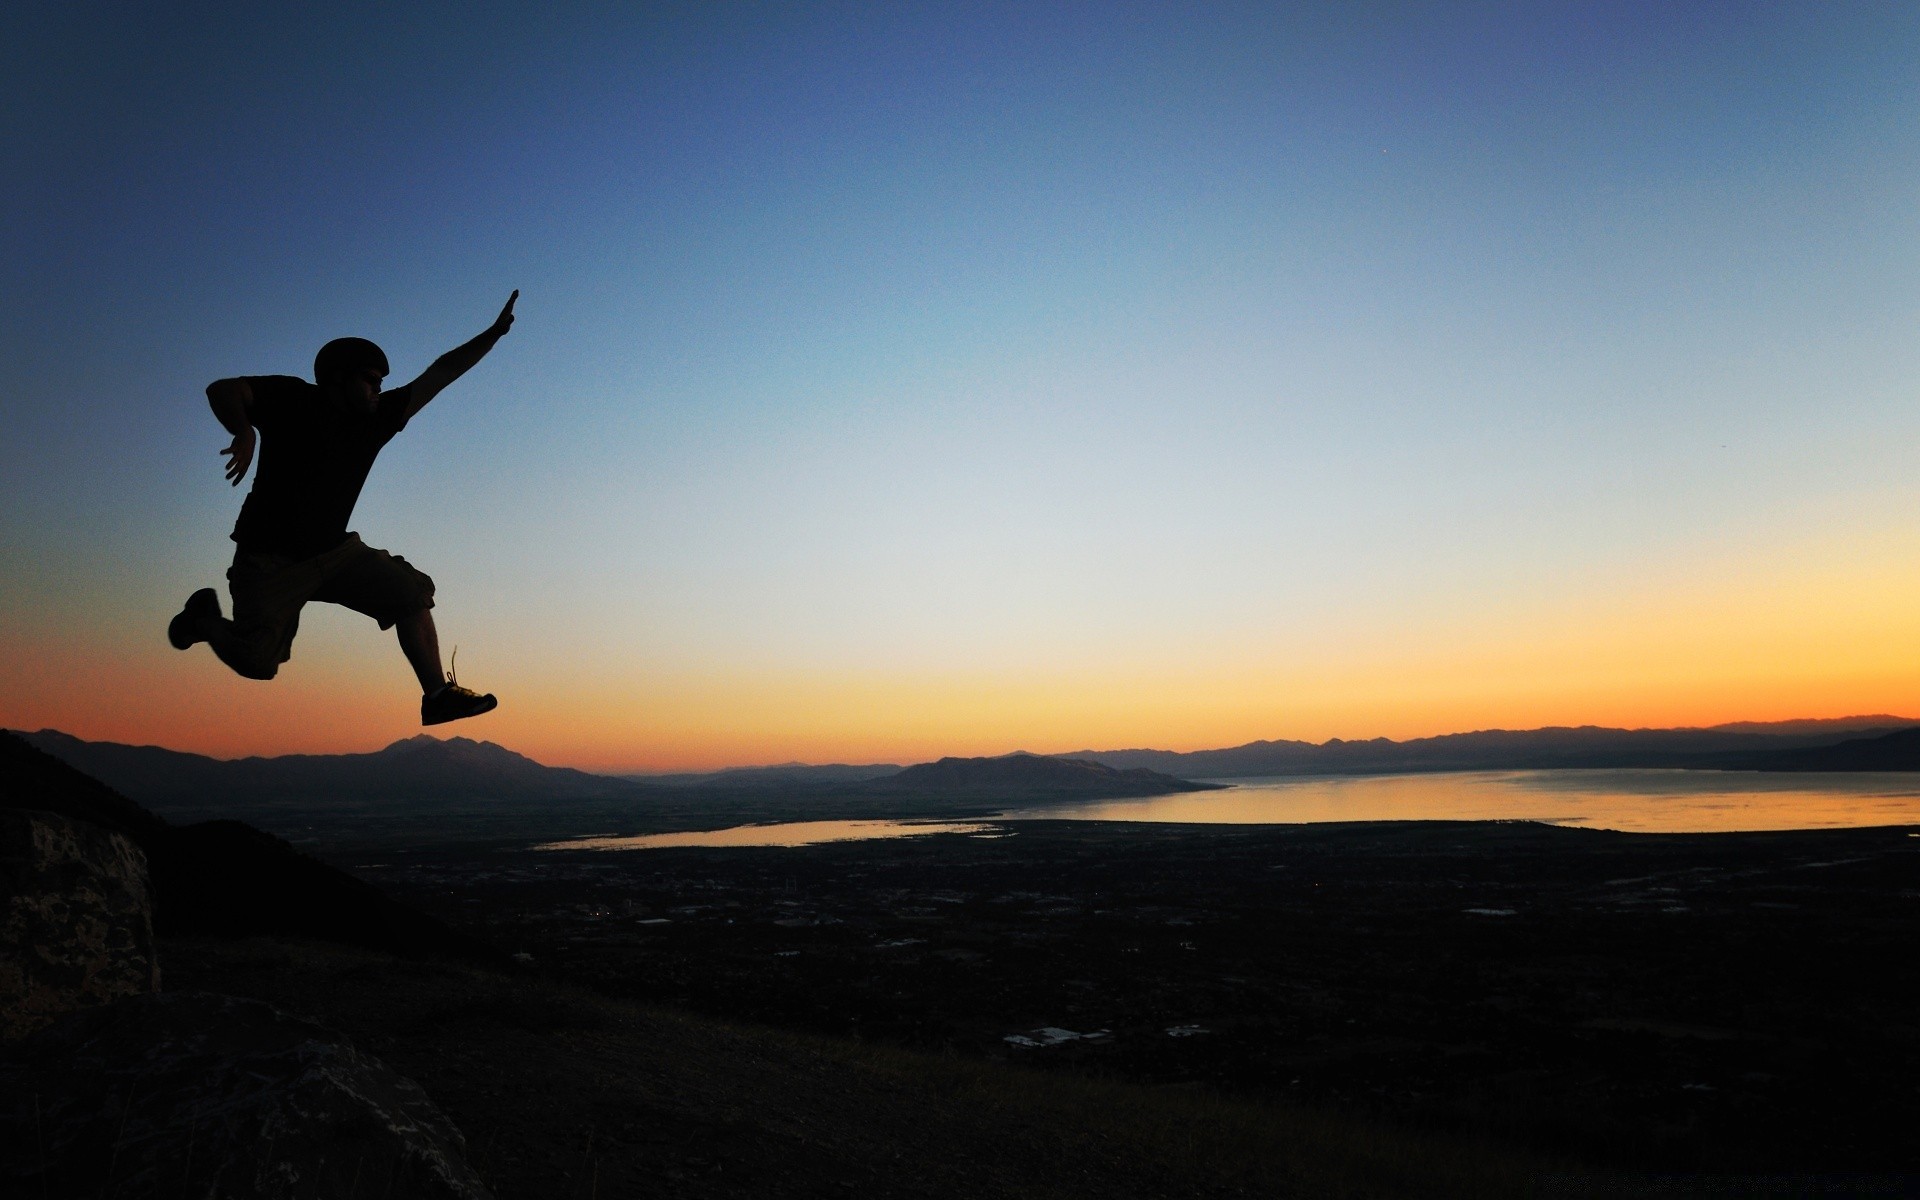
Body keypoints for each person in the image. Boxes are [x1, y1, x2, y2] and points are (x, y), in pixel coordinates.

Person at [168, 291, 518, 726]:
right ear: (338, 379)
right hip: (268, 563)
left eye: (381, 382)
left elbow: (440, 373)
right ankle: (204, 621)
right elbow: (223, 390)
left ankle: (437, 696)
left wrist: (493, 335)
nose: (379, 389)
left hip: (335, 553)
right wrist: (244, 430)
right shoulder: (294, 399)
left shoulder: (378, 417)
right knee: (258, 662)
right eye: (371, 379)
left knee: (410, 593)